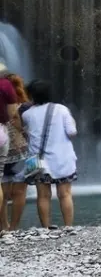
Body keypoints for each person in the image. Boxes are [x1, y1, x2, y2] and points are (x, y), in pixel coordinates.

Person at [22, 80, 77, 227]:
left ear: (31, 96)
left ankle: (46, 227)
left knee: (43, 195)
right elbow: (72, 132)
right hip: (62, 159)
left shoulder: (27, 115)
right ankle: (68, 227)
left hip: (38, 160)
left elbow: (26, 133)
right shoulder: (62, 109)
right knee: (64, 194)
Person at [1, 73, 29, 230]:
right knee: (19, 191)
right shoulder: (24, 107)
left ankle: (3, 226)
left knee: (2, 193)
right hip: (20, 153)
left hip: (2, 153)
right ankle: (14, 226)